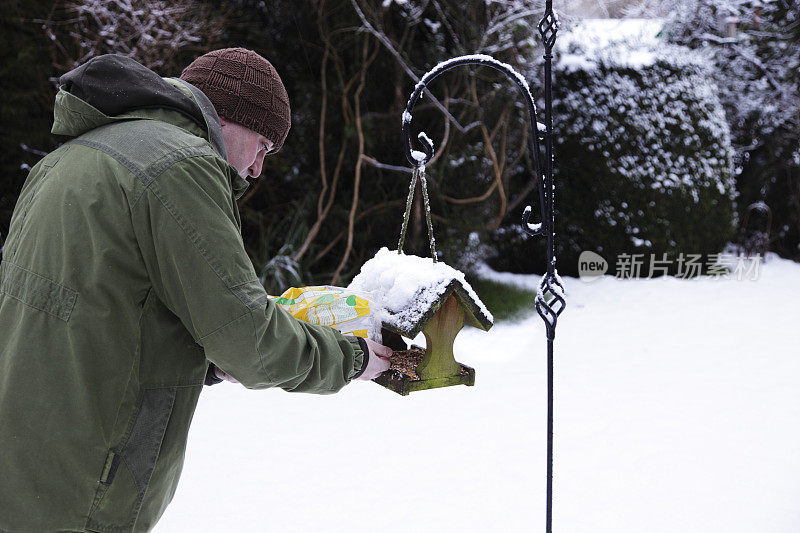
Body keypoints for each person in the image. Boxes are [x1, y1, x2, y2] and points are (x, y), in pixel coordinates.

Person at [0, 48, 391, 532]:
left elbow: (97, 308)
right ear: (231, 118)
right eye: (264, 146)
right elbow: (249, 340)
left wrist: (205, 361)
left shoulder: (69, 159)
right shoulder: (182, 165)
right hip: (87, 484)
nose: (257, 170)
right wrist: (354, 359)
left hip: (22, 467)